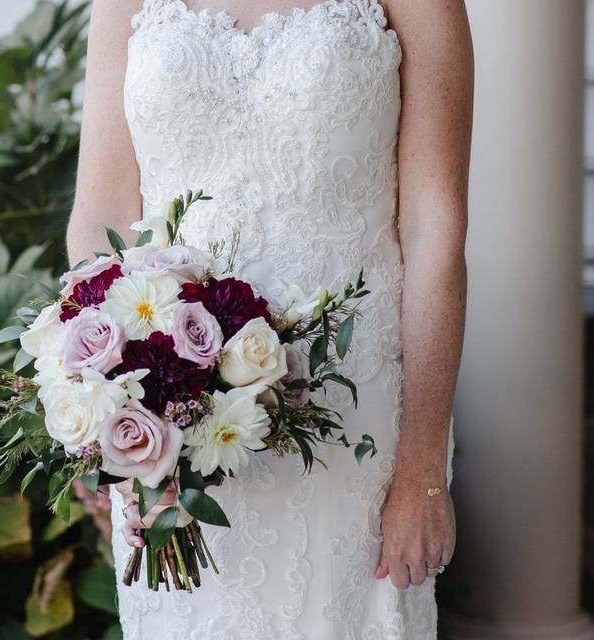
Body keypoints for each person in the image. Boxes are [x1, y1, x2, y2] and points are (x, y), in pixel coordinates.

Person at [66, 1, 472, 637]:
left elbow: (434, 229)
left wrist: (422, 469)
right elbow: (101, 222)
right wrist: (113, 412)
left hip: (350, 419)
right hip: (172, 412)